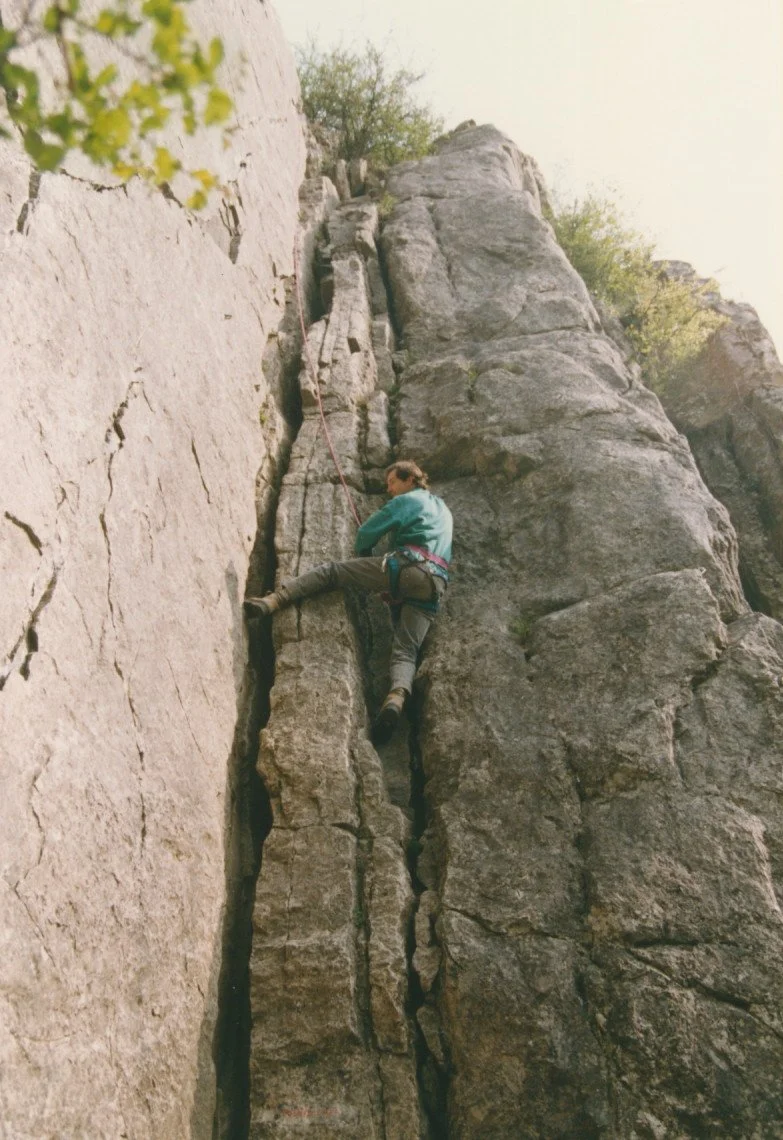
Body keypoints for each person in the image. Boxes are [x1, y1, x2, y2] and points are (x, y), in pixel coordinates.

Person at [244, 460, 453, 743]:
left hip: (408, 566)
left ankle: (273, 600)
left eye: (392, 482)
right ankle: (395, 699)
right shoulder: (444, 511)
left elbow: (367, 531)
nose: (389, 489)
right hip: (435, 583)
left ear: (409, 479)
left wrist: (365, 557)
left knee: (333, 572)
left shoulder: (409, 499)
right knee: (406, 650)